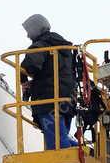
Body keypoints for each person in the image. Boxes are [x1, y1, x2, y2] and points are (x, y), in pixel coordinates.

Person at [20, 14, 78, 151]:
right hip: (66, 101)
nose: (28, 35)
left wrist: (24, 81)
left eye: (29, 31)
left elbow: (28, 67)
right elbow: (52, 73)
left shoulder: (40, 47)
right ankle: (83, 151)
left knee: (57, 146)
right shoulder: (64, 49)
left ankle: (69, 159)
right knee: (61, 136)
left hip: (48, 101)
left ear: (36, 29)